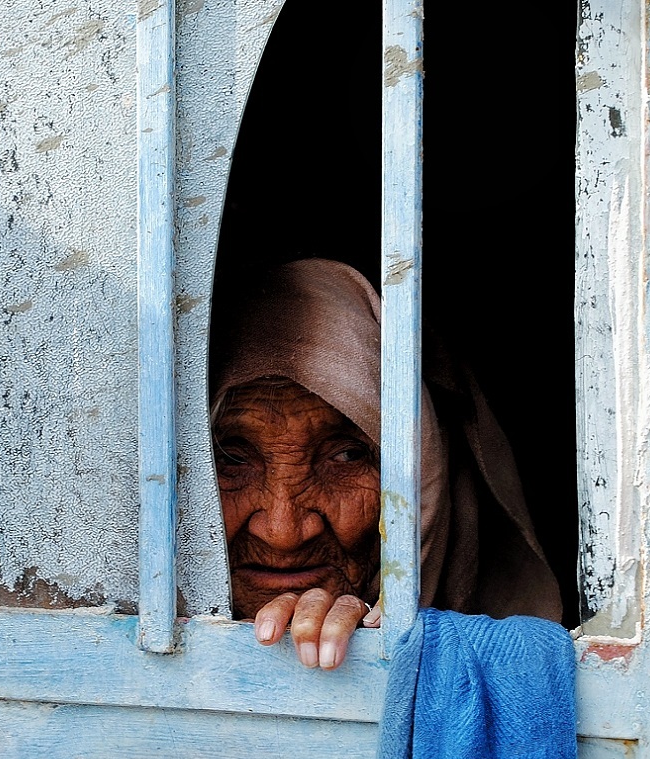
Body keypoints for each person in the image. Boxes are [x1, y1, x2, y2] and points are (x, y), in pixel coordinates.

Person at [210, 258, 561, 670]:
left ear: (425, 469)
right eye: (231, 458)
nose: (284, 533)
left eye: (347, 455)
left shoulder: (518, 661)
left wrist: (373, 650)